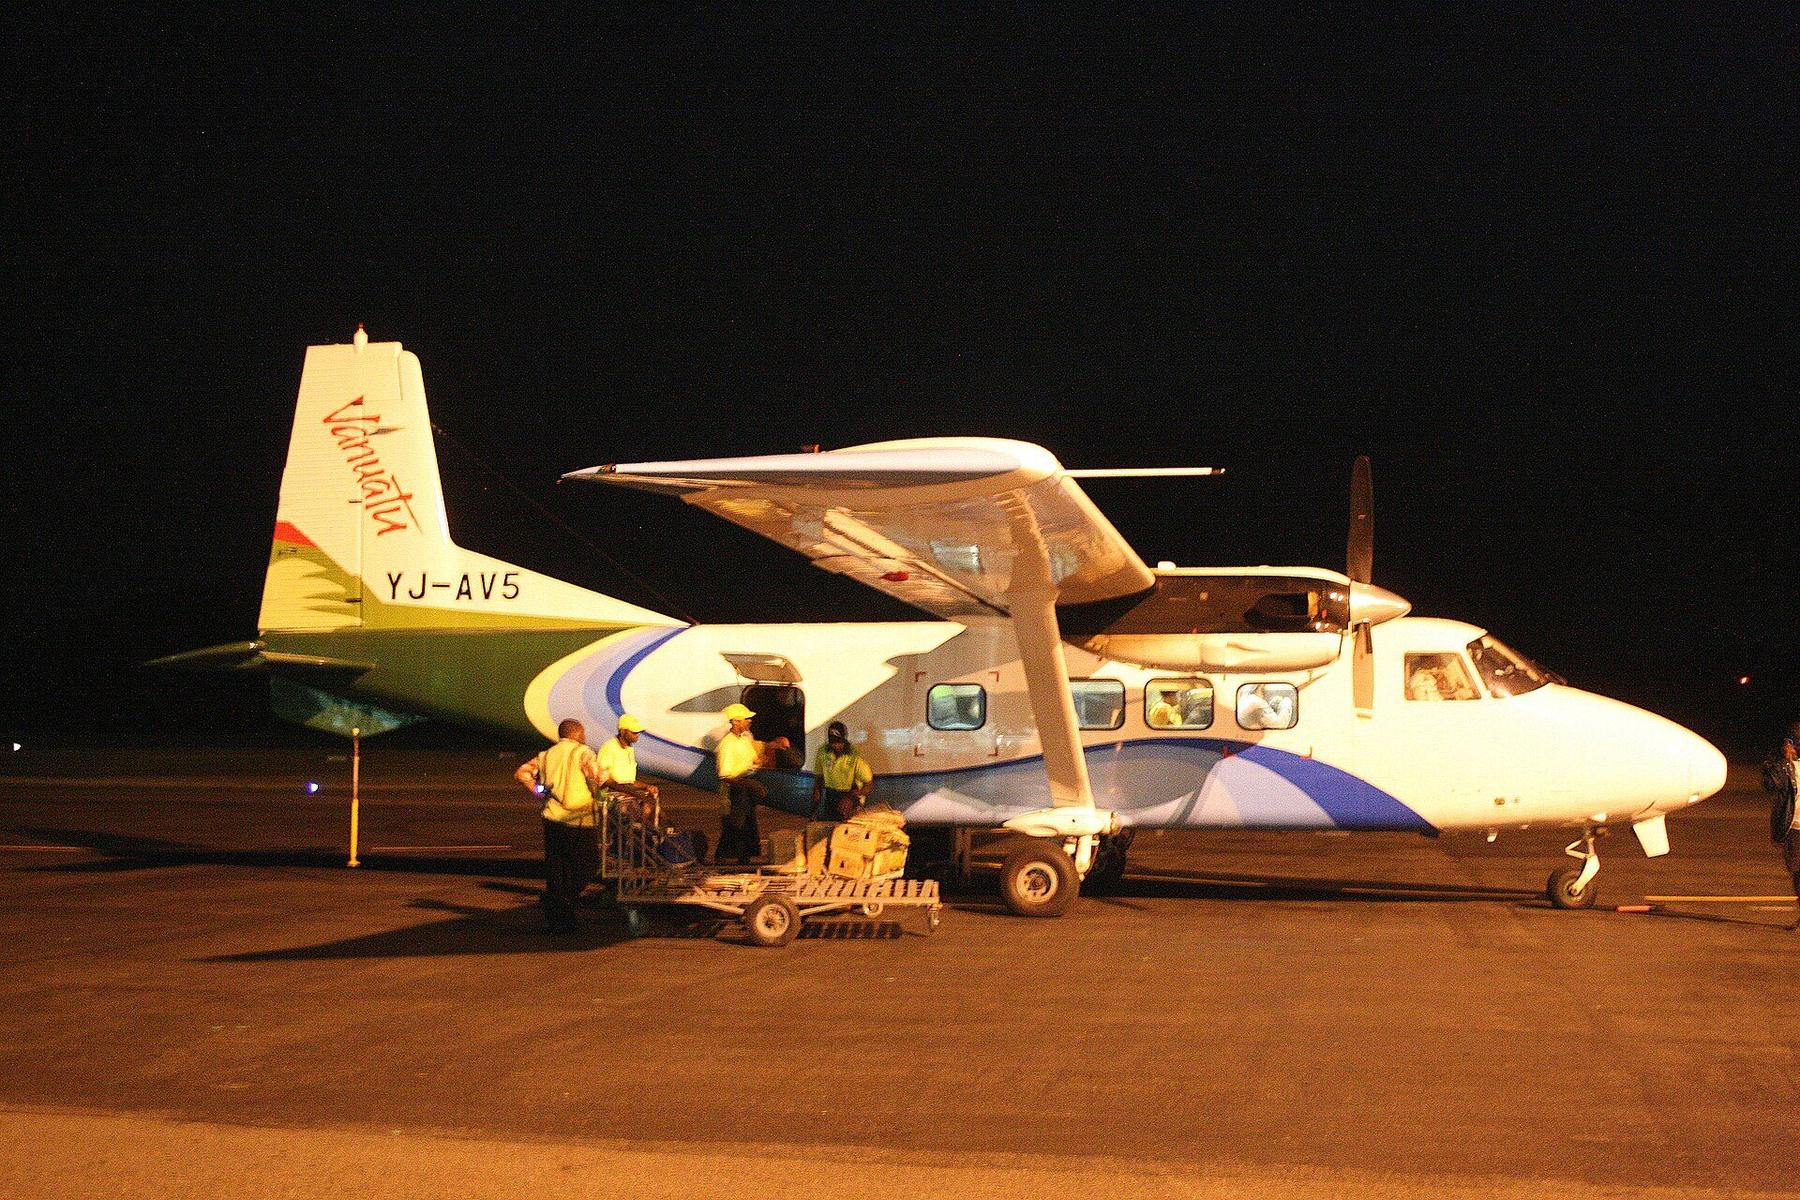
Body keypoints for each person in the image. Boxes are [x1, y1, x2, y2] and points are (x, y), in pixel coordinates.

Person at [514, 718, 603, 934]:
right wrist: (600, 791)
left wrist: (539, 791)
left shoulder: (545, 755)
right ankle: (562, 903)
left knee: (557, 870)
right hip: (579, 820)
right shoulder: (583, 752)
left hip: (552, 819)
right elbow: (598, 777)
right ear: (576, 734)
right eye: (583, 733)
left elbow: (521, 773)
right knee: (587, 866)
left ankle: (559, 915)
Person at [715, 702, 767, 864]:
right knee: (735, 827)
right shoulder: (727, 744)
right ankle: (723, 861)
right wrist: (750, 784)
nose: (749, 721)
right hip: (734, 791)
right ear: (736, 721)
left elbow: (755, 759)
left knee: (748, 826)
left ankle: (743, 862)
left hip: (745, 790)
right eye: (746, 719)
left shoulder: (744, 740)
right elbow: (725, 776)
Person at [598, 714, 659, 820]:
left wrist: (647, 786)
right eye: (634, 732)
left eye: (638, 732)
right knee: (633, 806)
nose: (637, 735)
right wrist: (627, 790)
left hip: (626, 792)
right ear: (623, 732)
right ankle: (638, 828)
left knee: (652, 797)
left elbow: (630, 781)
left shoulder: (629, 749)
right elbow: (603, 779)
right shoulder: (609, 747)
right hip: (611, 794)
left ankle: (641, 828)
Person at [811, 720, 874, 820]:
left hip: (851, 796)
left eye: (839, 742)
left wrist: (851, 798)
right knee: (831, 826)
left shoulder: (854, 754)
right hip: (831, 795)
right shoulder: (823, 751)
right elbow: (819, 778)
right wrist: (815, 806)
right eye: (833, 742)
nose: (836, 746)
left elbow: (869, 785)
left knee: (847, 827)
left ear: (845, 739)